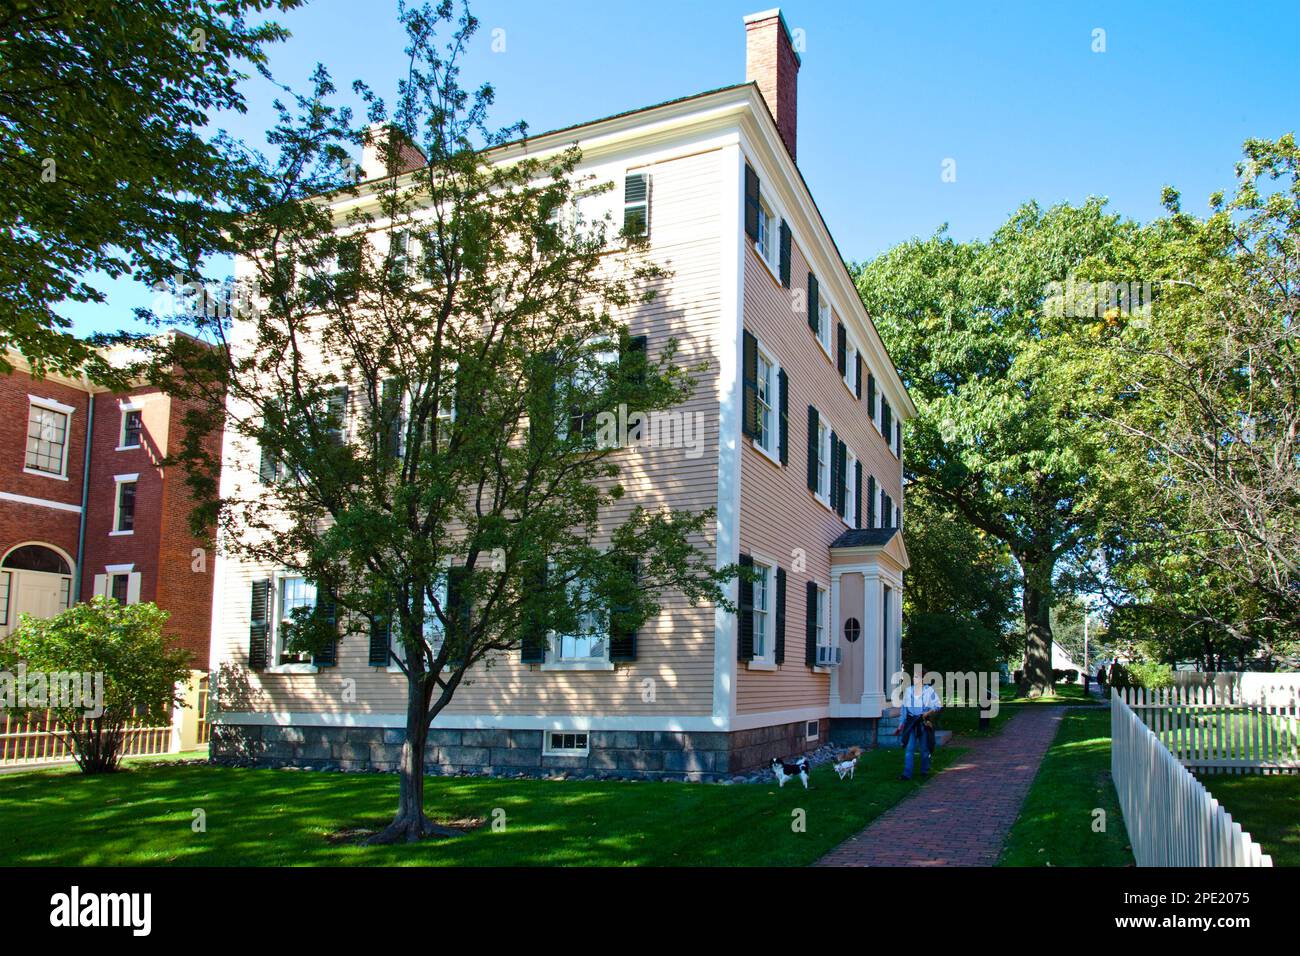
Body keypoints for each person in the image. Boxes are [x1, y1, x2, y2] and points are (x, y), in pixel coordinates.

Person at [895, 669, 941, 780]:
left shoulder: (929, 691)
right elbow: (904, 710)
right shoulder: (908, 691)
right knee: (909, 749)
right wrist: (901, 724)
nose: (916, 679)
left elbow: (938, 705)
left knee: (925, 749)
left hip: (923, 722)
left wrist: (928, 713)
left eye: (918, 677)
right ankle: (907, 774)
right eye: (915, 677)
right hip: (911, 723)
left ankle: (925, 771)